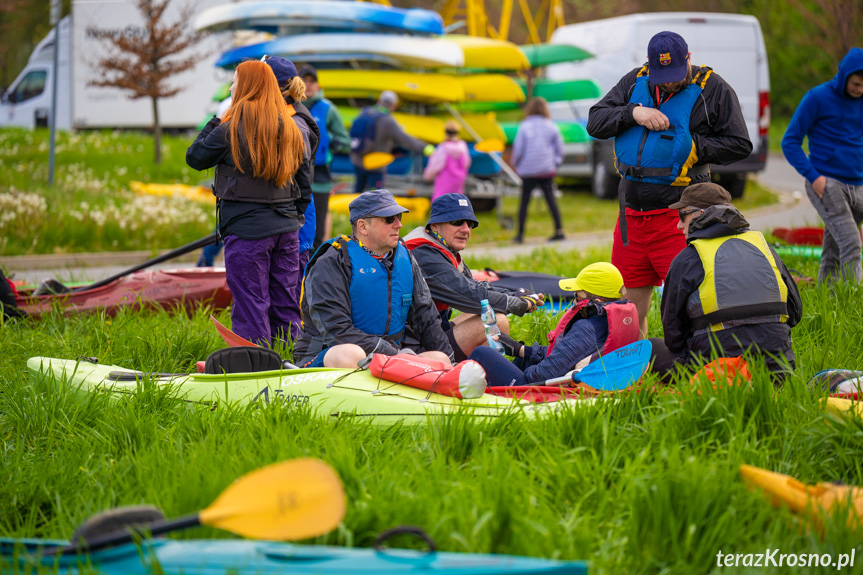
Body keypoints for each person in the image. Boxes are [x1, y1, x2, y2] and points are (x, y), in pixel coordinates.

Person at [587, 31, 752, 337]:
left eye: (675, 75)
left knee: (689, 303)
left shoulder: (713, 89)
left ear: (688, 59)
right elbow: (595, 121)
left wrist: (695, 148)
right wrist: (633, 112)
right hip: (631, 218)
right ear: (649, 65)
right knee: (627, 309)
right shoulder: (633, 82)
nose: (668, 83)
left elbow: (740, 144)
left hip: (679, 218)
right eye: (661, 76)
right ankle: (639, 370)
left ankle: (693, 369)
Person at [186, 60, 306, 346]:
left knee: (252, 304)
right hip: (287, 228)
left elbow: (195, 157)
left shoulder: (230, 127)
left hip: (247, 231)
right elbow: (303, 182)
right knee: (286, 303)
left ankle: (255, 368)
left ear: (248, 86)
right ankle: (292, 362)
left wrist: (220, 117)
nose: (230, 87)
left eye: (235, 82)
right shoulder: (289, 126)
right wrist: (295, 218)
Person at [651, 183, 802, 380]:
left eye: (682, 216)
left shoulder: (688, 258)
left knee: (653, 347)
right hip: (778, 370)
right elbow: (795, 314)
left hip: (715, 372)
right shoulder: (766, 249)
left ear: (701, 214)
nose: (679, 225)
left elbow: (673, 336)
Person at [294, 189, 454, 369]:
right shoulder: (331, 262)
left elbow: (427, 318)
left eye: (399, 217)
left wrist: (451, 366)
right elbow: (337, 331)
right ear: (363, 227)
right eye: (389, 219)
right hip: (329, 355)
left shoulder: (405, 257)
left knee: (440, 359)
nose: (398, 225)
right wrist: (393, 355)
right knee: (350, 354)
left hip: (386, 359)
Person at [403, 193, 544, 361]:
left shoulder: (441, 248)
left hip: (428, 335)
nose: (465, 229)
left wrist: (514, 294)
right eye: (456, 222)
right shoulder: (424, 255)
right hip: (413, 349)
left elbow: (475, 286)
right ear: (435, 225)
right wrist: (516, 303)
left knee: (490, 314)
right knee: (498, 322)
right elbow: (470, 295)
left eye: (469, 224)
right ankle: (479, 380)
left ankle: (479, 375)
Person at [469, 263, 639, 387]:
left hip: (544, 391)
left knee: (482, 353)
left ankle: (466, 387)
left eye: (577, 295)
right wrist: (519, 350)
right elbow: (565, 354)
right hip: (585, 381)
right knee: (522, 361)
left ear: (598, 301)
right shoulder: (611, 322)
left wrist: (524, 371)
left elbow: (546, 374)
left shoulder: (587, 329)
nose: (574, 300)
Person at [781, 47, 863, 284]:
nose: (860, 90)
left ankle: (828, 295)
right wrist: (813, 176)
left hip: (858, 185)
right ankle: (855, 301)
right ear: (845, 75)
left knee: (836, 247)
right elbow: (790, 141)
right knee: (851, 243)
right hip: (828, 184)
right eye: (856, 84)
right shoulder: (817, 97)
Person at [263, 57, 322, 304]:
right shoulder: (284, 113)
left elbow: (302, 180)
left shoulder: (294, 120)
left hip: (296, 215)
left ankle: (292, 341)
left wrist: (294, 214)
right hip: (292, 214)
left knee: (292, 291)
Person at [300, 65, 352, 247]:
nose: (308, 85)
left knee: (316, 231)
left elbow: (345, 143)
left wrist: (326, 138)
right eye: (304, 81)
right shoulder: (288, 107)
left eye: (312, 81)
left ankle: (313, 272)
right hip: (293, 177)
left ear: (318, 85)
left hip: (320, 179)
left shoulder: (328, 109)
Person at [349, 90, 433, 194]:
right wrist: (425, 147)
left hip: (358, 159)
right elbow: (405, 139)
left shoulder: (364, 112)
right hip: (376, 164)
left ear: (380, 100)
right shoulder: (387, 120)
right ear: (394, 105)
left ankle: (353, 209)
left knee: (358, 191)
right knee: (376, 196)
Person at [510, 97, 565, 244]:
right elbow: (560, 149)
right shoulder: (551, 126)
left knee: (524, 202)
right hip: (546, 168)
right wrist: (555, 164)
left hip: (528, 170)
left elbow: (519, 149)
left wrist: (515, 164)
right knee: (550, 200)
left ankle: (520, 234)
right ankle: (559, 230)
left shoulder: (524, 126)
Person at [423, 120, 471, 201]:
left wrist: (427, 176)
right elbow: (467, 163)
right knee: (456, 202)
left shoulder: (443, 148)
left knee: (440, 202)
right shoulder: (463, 147)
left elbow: (435, 165)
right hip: (458, 181)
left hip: (444, 181)